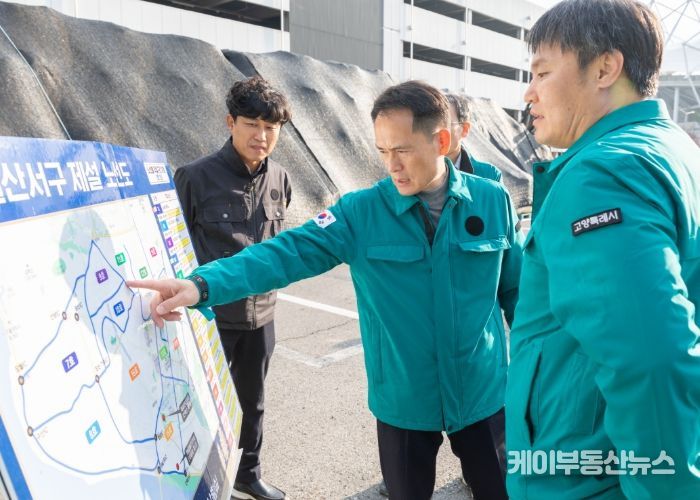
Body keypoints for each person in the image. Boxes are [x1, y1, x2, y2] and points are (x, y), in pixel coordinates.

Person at [128, 80, 523, 500]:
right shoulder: (361, 212)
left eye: (403, 150)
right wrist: (202, 284)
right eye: (383, 151)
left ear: (441, 141)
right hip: (404, 402)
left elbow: (520, 296)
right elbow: (286, 252)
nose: (392, 165)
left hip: (483, 395)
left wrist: (535, 382)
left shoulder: (492, 201)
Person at [505, 1, 700, 498]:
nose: (528, 92)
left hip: (586, 479)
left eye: (542, 72)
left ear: (605, 68)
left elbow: (650, 359)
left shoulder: (602, 175)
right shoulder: (676, 151)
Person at [173, 75, 292, 500]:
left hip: (262, 316)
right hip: (210, 317)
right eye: (252, 124)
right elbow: (176, 248)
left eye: (271, 127)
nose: (262, 136)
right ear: (231, 122)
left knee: (252, 402)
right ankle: (188, 482)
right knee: (196, 402)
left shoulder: (281, 178)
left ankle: (247, 472)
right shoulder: (194, 177)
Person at [445, 93, 502, 182]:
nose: (436, 130)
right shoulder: (420, 174)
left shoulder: (489, 176)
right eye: (431, 124)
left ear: (464, 129)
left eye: (445, 124)